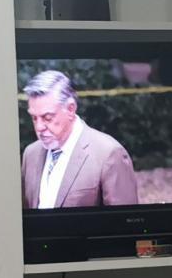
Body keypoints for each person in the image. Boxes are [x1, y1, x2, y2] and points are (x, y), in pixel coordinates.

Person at [20, 70, 139, 209]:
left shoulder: (109, 154)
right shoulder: (31, 154)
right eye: (34, 118)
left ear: (71, 109)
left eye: (47, 118)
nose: (39, 127)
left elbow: (124, 219)